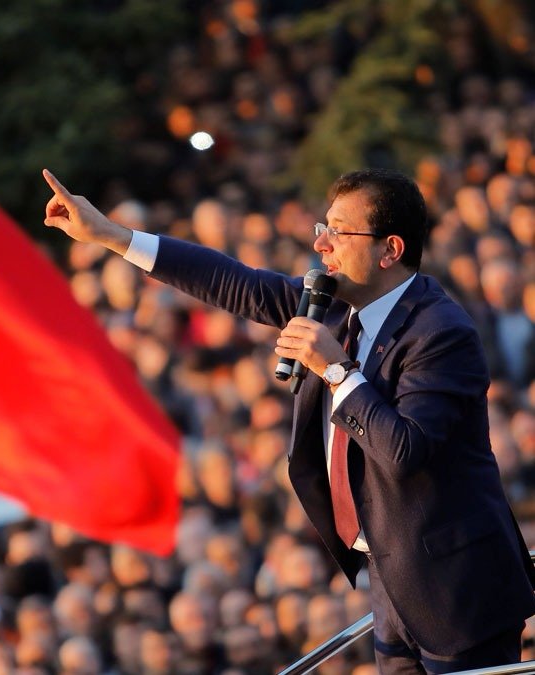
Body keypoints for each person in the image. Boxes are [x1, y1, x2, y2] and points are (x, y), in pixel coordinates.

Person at [42, 167, 535, 674]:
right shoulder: (335, 308)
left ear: (389, 250)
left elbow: (407, 451)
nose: (321, 243)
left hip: (460, 589)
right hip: (393, 578)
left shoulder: (441, 332)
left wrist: (337, 372)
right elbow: (233, 281)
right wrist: (111, 236)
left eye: (338, 231)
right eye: (322, 226)